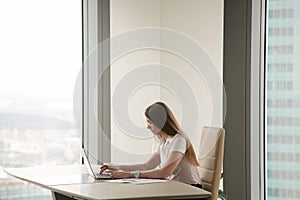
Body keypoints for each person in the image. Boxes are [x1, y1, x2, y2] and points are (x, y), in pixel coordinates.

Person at [100, 101, 202, 187]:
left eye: (150, 122)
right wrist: (116, 167)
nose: (148, 127)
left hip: (191, 189)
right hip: (175, 188)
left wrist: (129, 174)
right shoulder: (164, 141)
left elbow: (165, 173)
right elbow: (147, 166)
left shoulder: (179, 140)